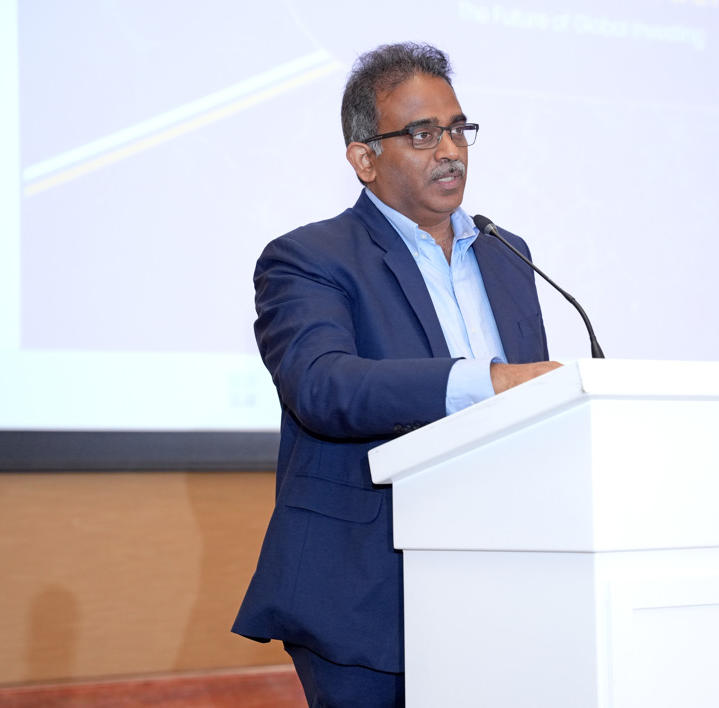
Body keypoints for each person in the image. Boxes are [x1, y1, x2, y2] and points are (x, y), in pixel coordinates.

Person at [232, 42, 560, 707]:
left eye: (458, 129)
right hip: (365, 593)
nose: (451, 151)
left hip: (504, 583)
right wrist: (486, 381)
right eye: (422, 134)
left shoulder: (508, 254)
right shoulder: (309, 258)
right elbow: (322, 385)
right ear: (364, 158)